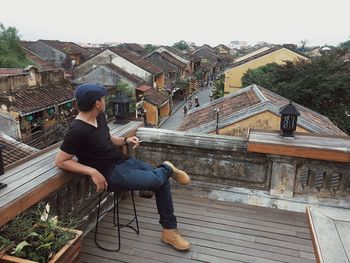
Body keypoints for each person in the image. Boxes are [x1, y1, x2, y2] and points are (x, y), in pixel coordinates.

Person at [55, 83, 191, 251]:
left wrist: (125, 140)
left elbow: (107, 137)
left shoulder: (99, 117)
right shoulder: (77, 130)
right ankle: (167, 168)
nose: (105, 101)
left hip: (122, 161)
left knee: (161, 182)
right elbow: (61, 160)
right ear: (97, 103)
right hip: (110, 174)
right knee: (158, 180)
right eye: (103, 99)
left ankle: (169, 230)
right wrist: (92, 171)